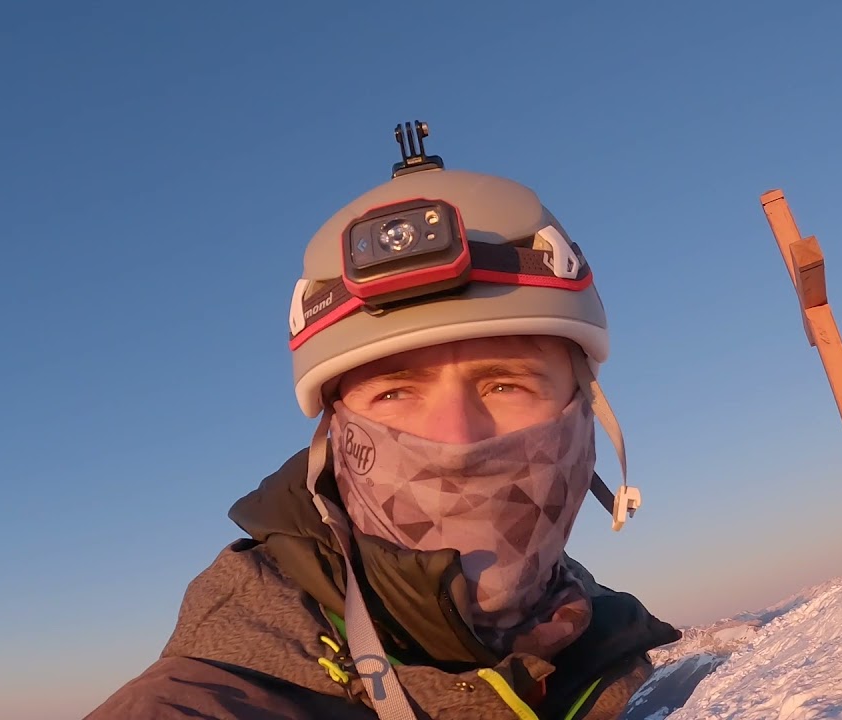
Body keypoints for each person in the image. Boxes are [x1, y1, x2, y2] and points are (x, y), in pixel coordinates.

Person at [85, 122, 681, 720]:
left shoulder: (616, 651)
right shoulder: (216, 690)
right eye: (395, 392)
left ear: (583, 413)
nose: (456, 438)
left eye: (505, 384)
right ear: (336, 436)